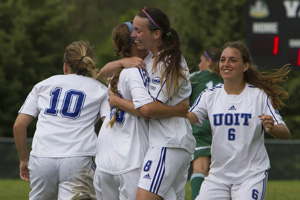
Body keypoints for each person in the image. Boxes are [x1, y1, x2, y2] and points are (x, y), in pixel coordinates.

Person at [94, 22, 189, 200]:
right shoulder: (136, 70)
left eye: (140, 31)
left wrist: (116, 99)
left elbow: (101, 74)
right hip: (129, 156)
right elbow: (146, 110)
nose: (139, 34)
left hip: (105, 156)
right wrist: (177, 110)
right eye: (136, 32)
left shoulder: (119, 71)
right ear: (134, 42)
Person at [188, 41, 291, 200]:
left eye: (233, 60)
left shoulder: (259, 95)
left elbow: (285, 133)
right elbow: (188, 118)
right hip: (218, 177)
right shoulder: (209, 96)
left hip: (250, 176)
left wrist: (272, 127)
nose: (226, 64)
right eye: (222, 60)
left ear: (245, 66)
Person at [13, 41, 109, 200]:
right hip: (79, 157)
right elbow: (108, 127)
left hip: (42, 157)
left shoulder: (43, 85)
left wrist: (24, 160)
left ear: (65, 66)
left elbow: (18, 126)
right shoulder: (100, 89)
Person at [189, 47, 223, 200]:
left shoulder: (195, 77)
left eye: (201, 61)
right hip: (222, 126)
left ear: (209, 62)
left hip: (201, 124)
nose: (198, 65)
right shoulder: (226, 77)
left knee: (200, 167)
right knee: (215, 171)